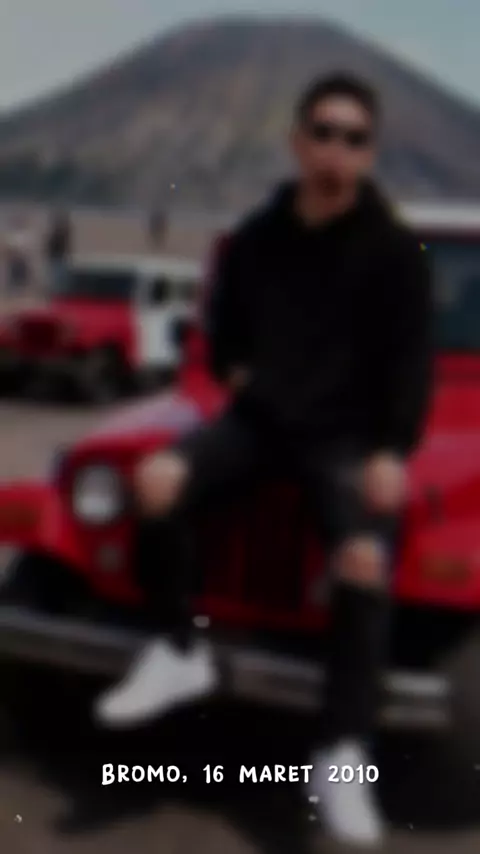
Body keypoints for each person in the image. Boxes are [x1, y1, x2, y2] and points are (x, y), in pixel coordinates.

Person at [93, 73, 433, 846]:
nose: (338, 149)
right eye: (325, 132)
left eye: (355, 138)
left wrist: (392, 449)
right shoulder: (254, 240)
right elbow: (222, 336)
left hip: (345, 435)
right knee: (156, 479)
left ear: (370, 152)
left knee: (363, 558)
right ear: (298, 141)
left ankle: (341, 751)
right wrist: (242, 375)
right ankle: (179, 649)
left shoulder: (395, 252)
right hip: (260, 422)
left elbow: (411, 363)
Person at [3, 213, 32, 296]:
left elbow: (27, 249)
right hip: (14, 260)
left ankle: (23, 294)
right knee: (14, 281)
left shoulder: (25, 234)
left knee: (22, 281)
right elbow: (7, 248)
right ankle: (13, 294)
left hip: (22, 261)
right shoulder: (11, 235)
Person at [44, 209, 71, 287]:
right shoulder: (59, 233)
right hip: (57, 258)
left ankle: (57, 287)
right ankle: (57, 287)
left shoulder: (60, 233)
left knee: (57, 275)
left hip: (58, 258)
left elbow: (51, 245)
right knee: (56, 275)